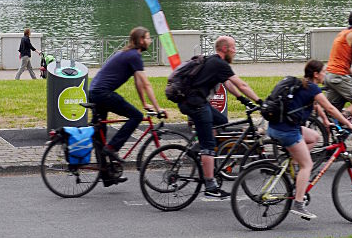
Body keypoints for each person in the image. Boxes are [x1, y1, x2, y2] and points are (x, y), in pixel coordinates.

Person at [267, 59, 352, 220]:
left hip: (276, 126)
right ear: (316, 74)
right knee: (308, 165)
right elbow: (330, 107)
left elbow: (317, 105)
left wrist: (324, 120)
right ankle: (298, 203)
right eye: (323, 72)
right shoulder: (312, 88)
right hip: (287, 131)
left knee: (315, 137)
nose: (325, 74)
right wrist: (349, 125)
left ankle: (294, 164)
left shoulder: (303, 84)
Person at [177, 35, 262, 200]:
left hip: (194, 101)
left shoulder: (214, 62)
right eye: (233, 48)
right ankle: (210, 186)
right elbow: (241, 84)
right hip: (196, 104)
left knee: (221, 121)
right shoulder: (219, 63)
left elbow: (229, 84)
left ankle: (197, 148)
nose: (235, 51)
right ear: (225, 49)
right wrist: (259, 101)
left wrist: (243, 100)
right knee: (209, 145)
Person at [88, 27, 166, 183]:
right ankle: (113, 148)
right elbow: (146, 84)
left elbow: (138, 83)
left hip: (94, 91)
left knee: (99, 134)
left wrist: (145, 103)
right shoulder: (134, 56)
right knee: (136, 116)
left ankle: (106, 174)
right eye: (148, 38)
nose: (150, 41)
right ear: (141, 40)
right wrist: (158, 108)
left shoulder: (126, 53)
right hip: (103, 93)